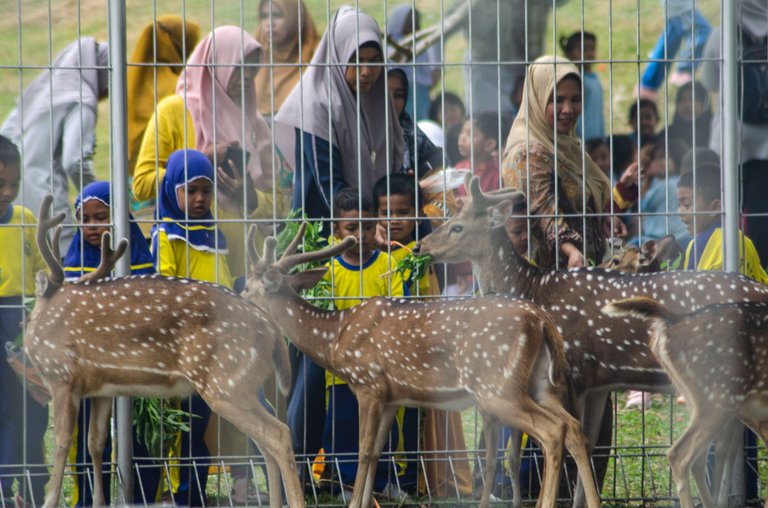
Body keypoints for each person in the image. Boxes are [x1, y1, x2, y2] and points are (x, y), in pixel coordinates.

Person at [133, 26, 283, 279]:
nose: (246, 78)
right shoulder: (174, 111)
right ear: (217, 64)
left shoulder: (255, 123)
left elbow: (280, 203)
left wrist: (249, 196)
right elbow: (141, 183)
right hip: (189, 262)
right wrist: (200, 163)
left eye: (252, 70)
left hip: (248, 264)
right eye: (239, 68)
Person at [61, 181, 159, 506]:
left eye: (101, 217)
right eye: (85, 219)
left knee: (140, 434)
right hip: (89, 369)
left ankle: (142, 497)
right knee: (87, 435)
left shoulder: (140, 260)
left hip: (134, 365)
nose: (92, 227)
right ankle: (87, 499)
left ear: (119, 217)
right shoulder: (71, 265)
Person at [313, 188, 406, 496]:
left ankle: (379, 482)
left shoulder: (387, 265)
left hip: (382, 369)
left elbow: (399, 311)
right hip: (341, 371)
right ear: (335, 230)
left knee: (382, 427)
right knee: (343, 426)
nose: (362, 235)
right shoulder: (329, 269)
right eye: (351, 228)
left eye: (368, 226)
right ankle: (347, 481)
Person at [151, 149, 231, 506]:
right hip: (176, 348)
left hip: (211, 346)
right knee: (170, 425)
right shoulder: (166, 233)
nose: (200, 199)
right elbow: (164, 289)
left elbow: (224, 284)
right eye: (190, 190)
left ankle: (193, 494)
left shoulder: (215, 233)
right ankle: (159, 491)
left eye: (206, 191)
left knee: (198, 426)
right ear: (172, 189)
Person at [275, 6, 404, 221]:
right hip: (324, 228)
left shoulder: (377, 98)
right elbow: (328, 184)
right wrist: (367, 227)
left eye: (374, 62)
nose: (366, 72)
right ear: (338, 55)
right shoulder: (316, 104)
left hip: (371, 226)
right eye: (356, 60)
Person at [501, 56, 616, 269]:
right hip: (550, 280)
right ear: (537, 99)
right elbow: (541, 211)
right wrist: (570, 250)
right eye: (557, 100)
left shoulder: (569, 147)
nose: (568, 109)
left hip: (586, 274)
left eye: (575, 99)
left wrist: (605, 217)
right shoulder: (527, 153)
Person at [1, 37, 109, 253]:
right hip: (48, 205)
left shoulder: (43, 91)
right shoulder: (81, 98)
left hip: (11, 199)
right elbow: (75, 161)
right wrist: (102, 199)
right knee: (63, 273)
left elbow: (4, 135)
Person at [699, 0, 768, 266]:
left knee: (725, 215)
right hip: (765, 150)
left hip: (731, 143)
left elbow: (709, 83)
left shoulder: (722, 34)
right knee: (763, 219)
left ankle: (729, 270)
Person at [0, 135, 48, 508]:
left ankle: (32, 489)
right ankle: (5, 486)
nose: (7, 192)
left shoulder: (26, 221)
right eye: (0, 184)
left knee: (32, 409)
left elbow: (42, 273)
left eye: (14, 185)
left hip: (21, 326)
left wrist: (35, 313)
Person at [127, 16, 201, 176]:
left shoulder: (128, 81)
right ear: (180, 45)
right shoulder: (180, 87)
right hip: (165, 176)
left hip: (131, 179)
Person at [255, 0, 320, 118]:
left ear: (295, 18)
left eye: (278, 15)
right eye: (264, 16)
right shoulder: (253, 55)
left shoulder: (317, 56)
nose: (269, 23)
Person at [638, 0, 712, 99]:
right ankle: (684, 70)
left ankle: (648, 86)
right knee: (702, 31)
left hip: (676, 5)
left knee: (670, 40)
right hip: (680, 5)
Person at [387, 4, 440, 121]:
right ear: (398, 24)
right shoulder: (390, 48)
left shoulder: (422, 47)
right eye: (411, 23)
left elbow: (433, 74)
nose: (416, 27)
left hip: (421, 96)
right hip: (400, 95)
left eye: (417, 22)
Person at [387, 69, 444, 178]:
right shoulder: (358, 134)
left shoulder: (414, 138)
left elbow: (442, 178)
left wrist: (416, 186)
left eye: (398, 95)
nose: (391, 102)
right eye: (384, 94)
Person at [560, 31, 604, 141]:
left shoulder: (594, 77)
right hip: (581, 138)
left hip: (597, 136)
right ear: (569, 54)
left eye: (592, 49)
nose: (589, 54)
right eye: (583, 50)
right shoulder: (575, 80)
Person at [455, 112, 508, 194]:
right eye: (462, 132)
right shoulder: (459, 168)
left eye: (470, 134)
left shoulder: (498, 175)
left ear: (489, 144)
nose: (462, 138)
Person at [658, 81, 711, 152]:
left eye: (693, 99)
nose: (687, 105)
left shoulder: (713, 132)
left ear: (704, 105)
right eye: (682, 100)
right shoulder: (667, 135)